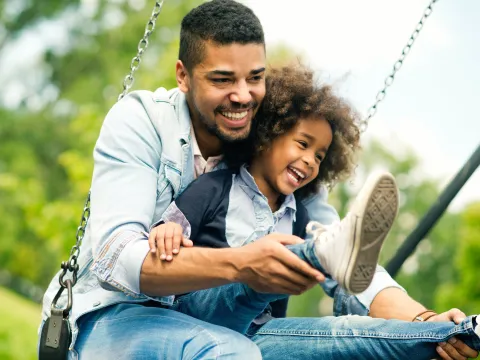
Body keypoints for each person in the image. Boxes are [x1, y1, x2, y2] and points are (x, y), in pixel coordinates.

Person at [39, 1, 479, 359]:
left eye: (256, 78)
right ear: (183, 75)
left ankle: (452, 333)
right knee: (232, 348)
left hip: (234, 326)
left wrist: (423, 320)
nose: (243, 96)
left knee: (348, 336)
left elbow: (350, 265)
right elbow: (116, 260)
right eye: (222, 79)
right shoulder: (141, 120)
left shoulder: (274, 149)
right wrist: (246, 263)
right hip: (115, 317)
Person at [147, 63, 400, 333]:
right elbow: (167, 233)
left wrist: (438, 332)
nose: (310, 160)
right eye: (303, 144)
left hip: (260, 334)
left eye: (319, 157)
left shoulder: (300, 216)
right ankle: (323, 252)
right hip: (198, 318)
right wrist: (169, 230)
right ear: (267, 135)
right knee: (258, 273)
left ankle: (435, 335)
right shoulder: (215, 187)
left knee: (347, 334)